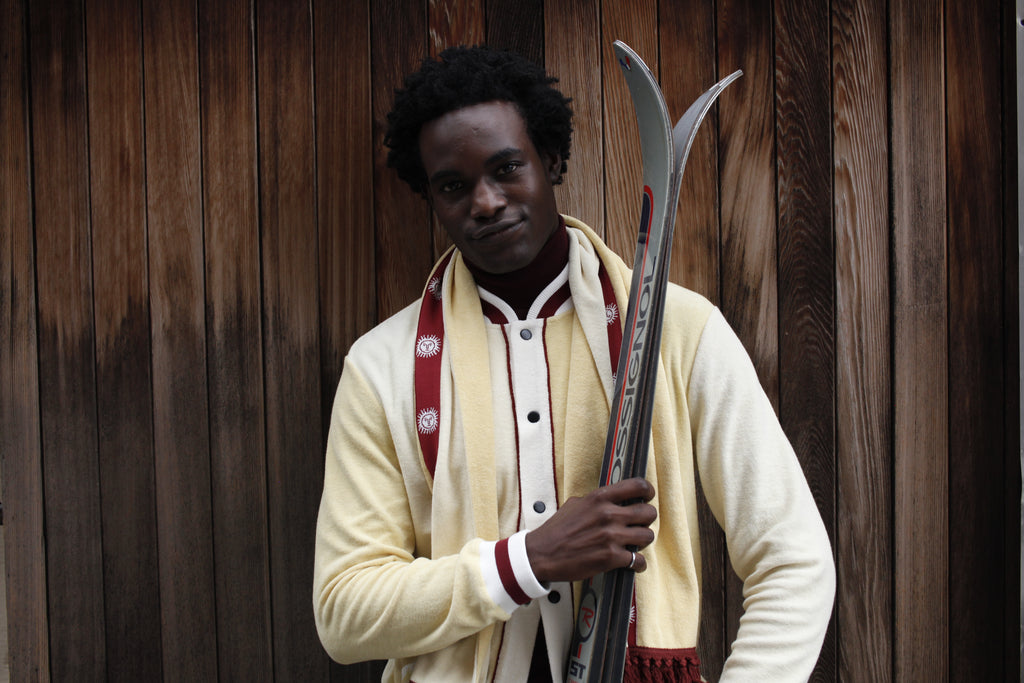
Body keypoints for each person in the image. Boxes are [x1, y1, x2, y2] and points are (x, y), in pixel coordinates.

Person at [313, 46, 834, 683]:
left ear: (551, 161)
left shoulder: (682, 330)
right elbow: (343, 612)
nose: (484, 201)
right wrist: (525, 562)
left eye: (507, 168)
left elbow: (794, 557)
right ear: (430, 195)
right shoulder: (382, 367)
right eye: (453, 185)